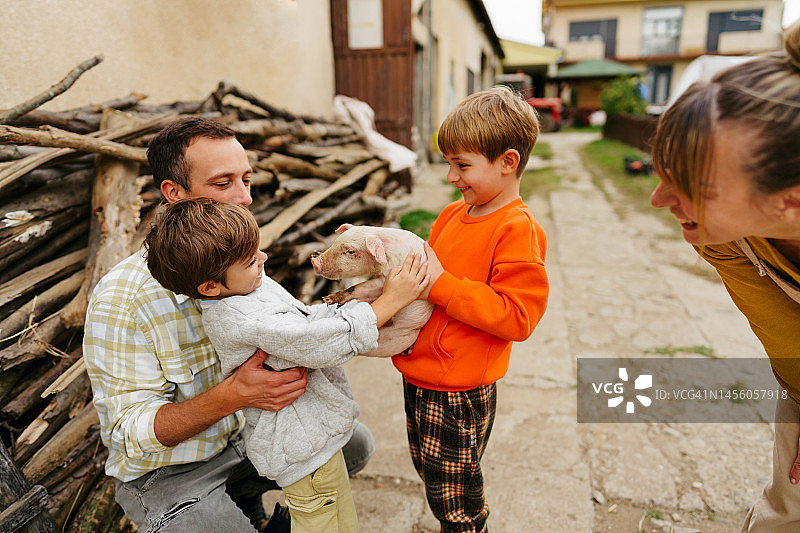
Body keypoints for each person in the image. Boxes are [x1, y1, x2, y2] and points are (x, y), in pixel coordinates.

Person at [82, 117, 375, 532]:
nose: (244, 198)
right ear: (174, 193)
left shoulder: (237, 253)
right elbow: (129, 432)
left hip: (245, 437)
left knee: (355, 445)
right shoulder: (122, 300)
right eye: (223, 183)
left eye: (246, 179)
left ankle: (245, 495)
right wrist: (233, 395)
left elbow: (294, 325)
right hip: (173, 471)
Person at [143, 198, 428, 532]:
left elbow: (304, 318)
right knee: (322, 520)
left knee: (338, 516)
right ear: (210, 287)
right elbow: (313, 341)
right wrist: (388, 303)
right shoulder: (239, 316)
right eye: (251, 260)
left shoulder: (247, 291)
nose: (263, 258)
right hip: (301, 448)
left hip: (313, 439)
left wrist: (356, 310)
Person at [648, 21, 800, 532]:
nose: (659, 201)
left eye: (690, 186)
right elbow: (791, 349)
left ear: (791, 199)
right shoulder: (729, 237)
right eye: (663, 175)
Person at [392, 86, 550, 532]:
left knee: (456, 500)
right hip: (420, 376)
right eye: (449, 164)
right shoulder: (449, 216)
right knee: (432, 477)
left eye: (462, 165)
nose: (450, 177)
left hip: (459, 391)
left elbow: (517, 316)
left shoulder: (516, 230)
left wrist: (443, 286)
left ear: (508, 161)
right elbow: (418, 274)